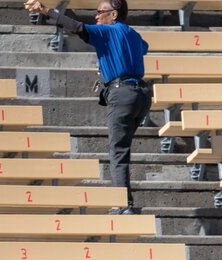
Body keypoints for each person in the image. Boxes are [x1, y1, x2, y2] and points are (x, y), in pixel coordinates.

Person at [24, 0, 151, 214]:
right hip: (142, 96)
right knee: (122, 149)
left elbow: (77, 27)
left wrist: (45, 10)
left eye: (100, 12)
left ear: (113, 15)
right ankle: (125, 202)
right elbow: (144, 48)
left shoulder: (107, 30)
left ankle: (123, 205)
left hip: (122, 94)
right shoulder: (134, 35)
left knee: (118, 151)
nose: (96, 16)